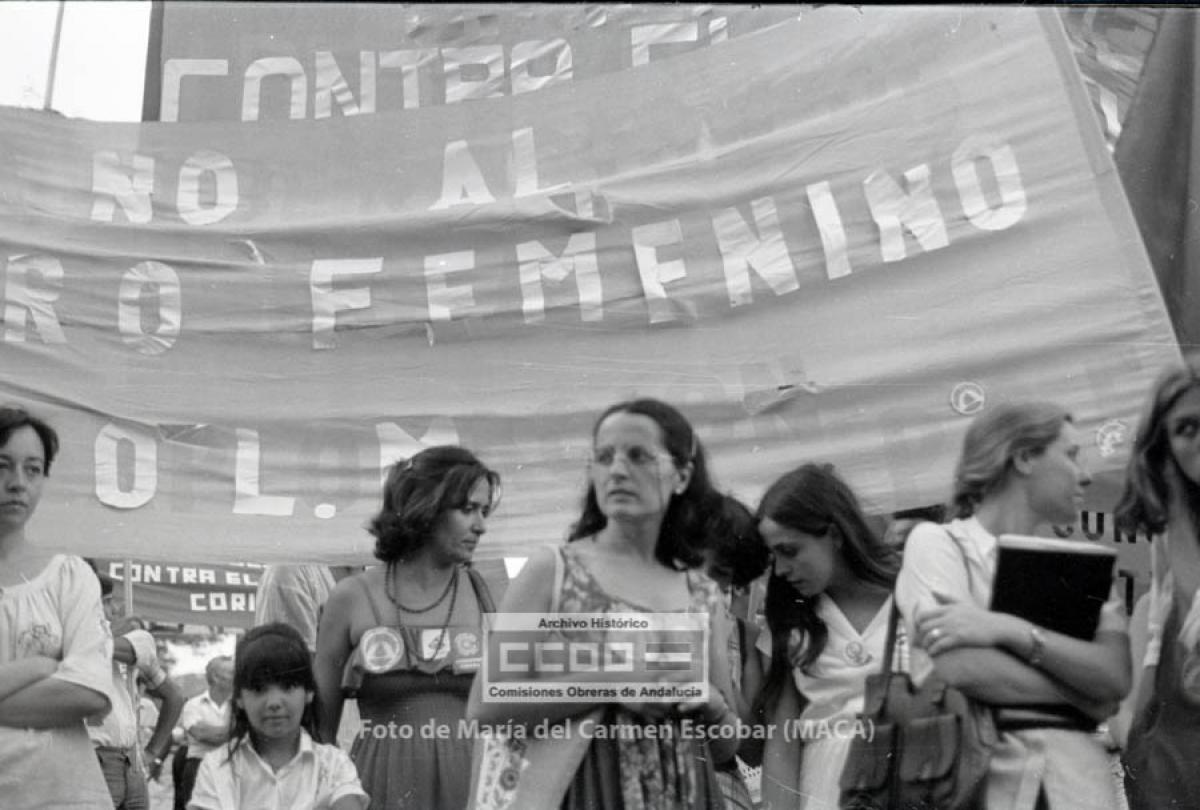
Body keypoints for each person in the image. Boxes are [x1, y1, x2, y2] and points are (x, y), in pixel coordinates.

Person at [467, 397, 741, 809]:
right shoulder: (554, 571)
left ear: (682, 475)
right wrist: (615, 681)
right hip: (580, 791)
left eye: (638, 456)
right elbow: (486, 706)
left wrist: (715, 708)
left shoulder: (702, 594)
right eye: (604, 457)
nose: (617, 470)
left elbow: (726, 749)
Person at [895, 401, 1131, 810]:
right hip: (985, 786)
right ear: (1023, 457)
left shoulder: (1087, 566)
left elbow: (1115, 677)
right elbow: (960, 667)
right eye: (1072, 456)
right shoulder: (937, 543)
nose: (1086, 475)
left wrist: (1005, 629)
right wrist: (1086, 696)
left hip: (1079, 789)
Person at [315, 445, 501, 810]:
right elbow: (320, 733)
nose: (481, 525)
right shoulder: (351, 598)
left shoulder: (488, 593)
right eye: (467, 510)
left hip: (474, 788)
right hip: (380, 788)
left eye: (483, 510)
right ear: (425, 507)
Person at [750, 463, 898, 810]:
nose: (782, 570)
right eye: (773, 556)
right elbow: (783, 740)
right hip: (825, 787)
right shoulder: (790, 620)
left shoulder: (913, 592)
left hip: (912, 776)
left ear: (834, 534)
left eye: (790, 551)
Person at [0, 405, 114, 808]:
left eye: (33, 469)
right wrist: (37, 668)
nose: (17, 484)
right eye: (2, 465)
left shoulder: (70, 577)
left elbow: (90, 693)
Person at [1114, 362, 1200, 808]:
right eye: (1188, 428)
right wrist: (1134, 728)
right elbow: (1164, 627)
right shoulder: (1168, 527)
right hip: (1173, 739)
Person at [187, 623, 368, 810]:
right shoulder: (217, 767)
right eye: (259, 689)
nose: (274, 702)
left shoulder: (334, 765)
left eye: (287, 687)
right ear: (239, 698)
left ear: (309, 692)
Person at [88, 569, 185, 809]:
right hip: (93, 759)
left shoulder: (136, 639)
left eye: (112, 603)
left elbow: (175, 697)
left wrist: (153, 753)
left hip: (131, 761)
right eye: (107, 604)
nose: (115, 611)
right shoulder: (71, 640)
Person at [703, 494, 770, 809]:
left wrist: (717, 647)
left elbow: (751, 749)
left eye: (720, 576)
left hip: (721, 791)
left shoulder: (745, 636)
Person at [177, 655, 235, 810]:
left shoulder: (240, 706)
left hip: (232, 766)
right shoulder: (193, 704)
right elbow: (201, 734)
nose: (237, 676)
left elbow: (209, 734)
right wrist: (235, 730)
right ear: (216, 677)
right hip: (198, 766)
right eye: (232, 672)